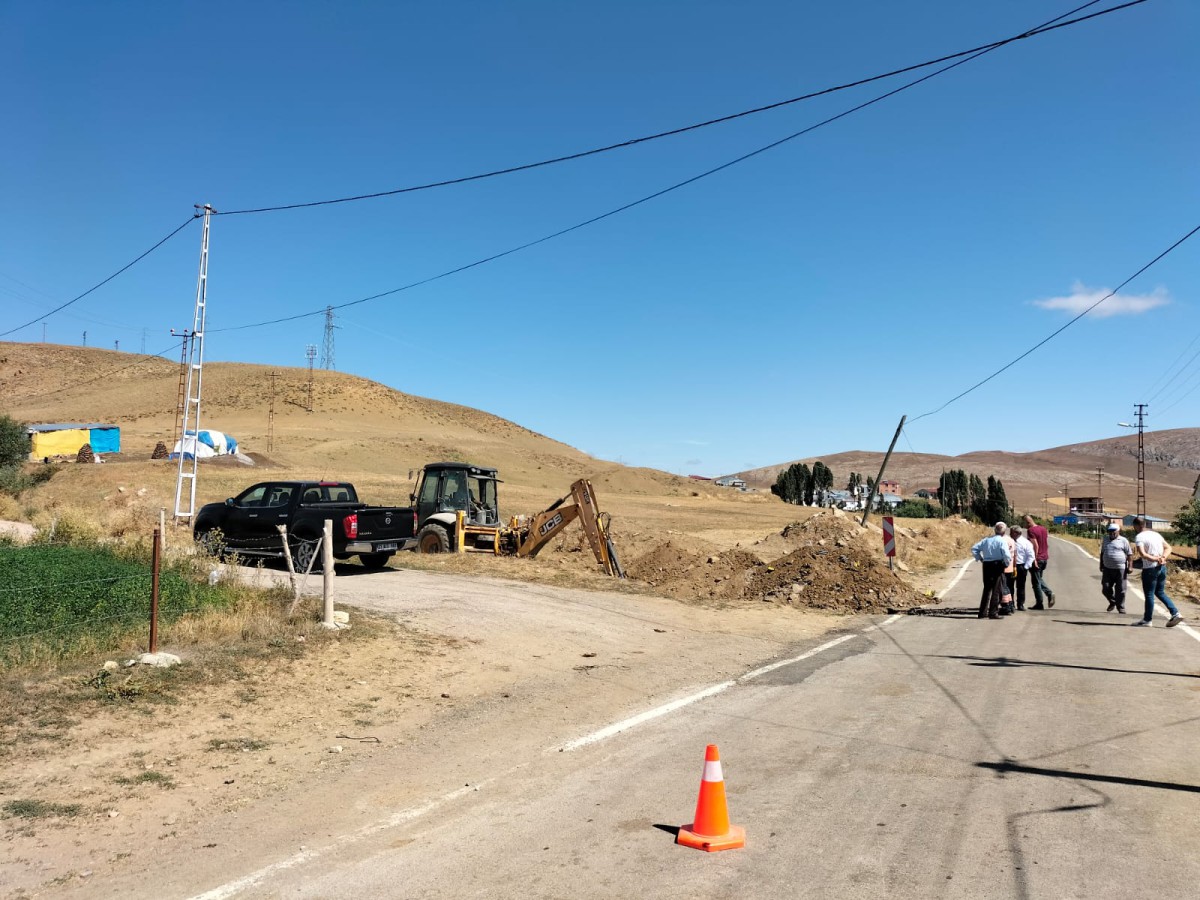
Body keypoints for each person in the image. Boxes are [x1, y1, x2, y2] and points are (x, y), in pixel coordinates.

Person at [1132, 517, 1183, 627]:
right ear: (1144, 524)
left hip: (1150, 569)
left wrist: (1156, 559)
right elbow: (1168, 547)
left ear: (1136, 526)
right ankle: (1175, 613)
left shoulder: (1139, 537)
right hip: (1162, 567)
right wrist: (1163, 557)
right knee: (1160, 592)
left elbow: (1142, 554)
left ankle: (1147, 620)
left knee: (1149, 594)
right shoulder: (1156, 534)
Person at [972, 522, 1013, 619]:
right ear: (1004, 532)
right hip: (997, 564)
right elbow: (1007, 555)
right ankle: (993, 612)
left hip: (987, 564)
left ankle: (982, 612)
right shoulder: (1002, 541)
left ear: (995, 530)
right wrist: (1006, 563)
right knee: (996, 589)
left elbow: (974, 548)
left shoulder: (986, 540)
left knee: (987, 588)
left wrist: (980, 558)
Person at [1023, 514, 1055, 609]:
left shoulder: (1031, 531)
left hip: (1038, 558)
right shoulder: (1043, 529)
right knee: (1039, 579)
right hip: (1044, 558)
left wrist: (1034, 559)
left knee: (1036, 582)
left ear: (1028, 522)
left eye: (1024, 523)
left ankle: (1041, 602)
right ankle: (1045, 597)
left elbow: (1035, 546)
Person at [1099, 522, 1131, 614]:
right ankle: (1113, 601)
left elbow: (1129, 554)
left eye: (1113, 531)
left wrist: (1130, 566)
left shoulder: (1124, 540)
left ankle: (1120, 607)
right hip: (1107, 568)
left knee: (1121, 589)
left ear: (1118, 531)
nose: (1111, 533)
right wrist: (1101, 565)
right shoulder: (1105, 539)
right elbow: (1102, 553)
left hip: (1120, 568)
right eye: (1109, 531)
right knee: (1106, 588)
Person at [1011, 526, 1037, 611]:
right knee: (1009, 585)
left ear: (1017, 533)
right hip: (1011, 566)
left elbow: (1031, 556)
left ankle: (1020, 604)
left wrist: (1026, 567)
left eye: (1012, 532)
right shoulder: (1009, 541)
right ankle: (1010, 604)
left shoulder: (1025, 542)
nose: (1010, 533)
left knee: (1021, 586)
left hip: (1021, 566)